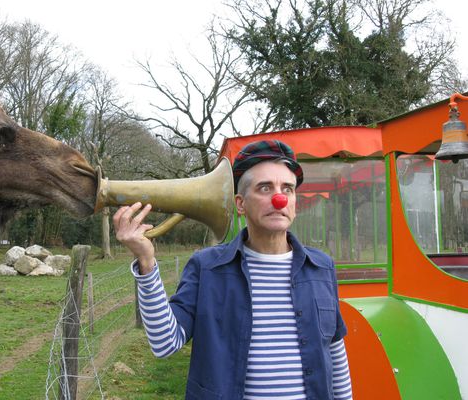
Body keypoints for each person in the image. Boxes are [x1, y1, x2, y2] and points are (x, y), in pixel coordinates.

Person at [113, 140, 352, 400]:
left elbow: (335, 353)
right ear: (240, 204)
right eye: (264, 188)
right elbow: (165, 344)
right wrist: (146, 262)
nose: (279, 198)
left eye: (288, 189)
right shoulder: (206, 267)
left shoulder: (321, 267)